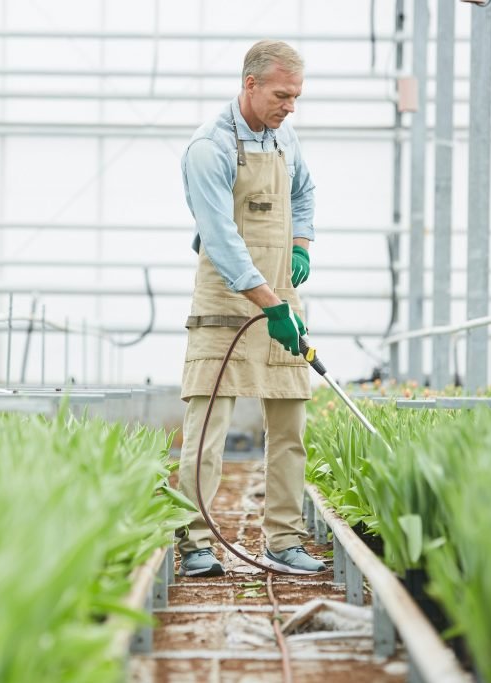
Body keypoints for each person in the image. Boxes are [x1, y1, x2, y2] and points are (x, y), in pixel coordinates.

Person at [175, 39, 325, 577]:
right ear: (250, 84)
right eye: (283, 94)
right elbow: (222, 240)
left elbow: (304, 193)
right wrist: (271, 304)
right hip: (224, 300)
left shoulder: (287, 138)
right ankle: (194, 541)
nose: (290, 106)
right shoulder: (208, 148)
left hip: (281, 295)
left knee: (290, 423)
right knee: (207, 426)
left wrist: (301, 245)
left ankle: (283, 540)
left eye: (297, 96)